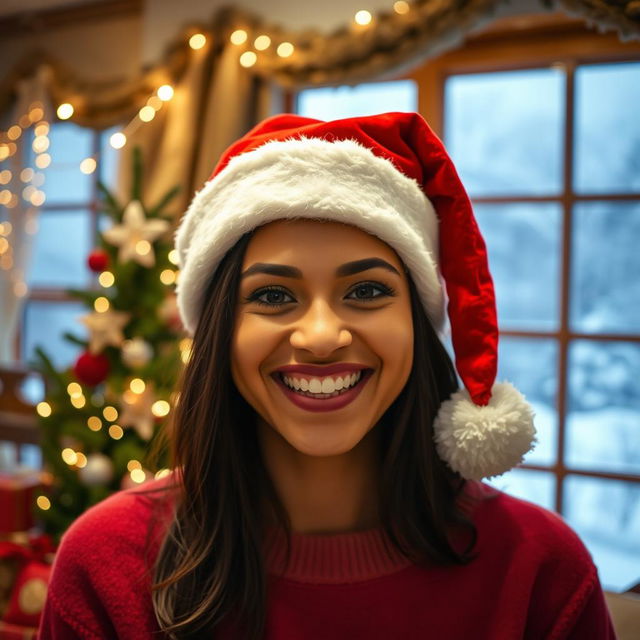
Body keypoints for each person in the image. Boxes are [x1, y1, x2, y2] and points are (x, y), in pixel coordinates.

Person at [37, 112, 617, 640]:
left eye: (366, 291)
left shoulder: (540, 568)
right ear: (220, 333)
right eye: (271, 294)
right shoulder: (104, 562)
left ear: (416, 323)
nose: (319, 337)